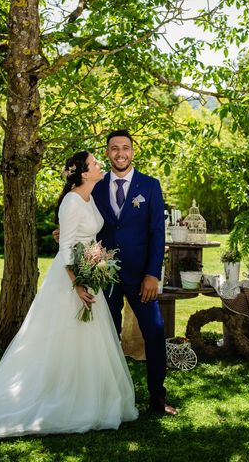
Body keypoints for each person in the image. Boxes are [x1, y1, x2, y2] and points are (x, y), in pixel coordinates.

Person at [0, 151, 139, 439]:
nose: (100, 166)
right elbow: (67, 247)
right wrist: (77, 283)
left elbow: (86, 238)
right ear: (84, 173)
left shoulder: (90, 197)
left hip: (87, 274)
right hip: (70, 280)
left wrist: (95, 263)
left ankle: (87, 393)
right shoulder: (72, 201)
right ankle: (57, 396)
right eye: (96, 163)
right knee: (65, 336)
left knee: (87, 338)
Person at [92, 129, 176, 416]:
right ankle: (108, 398)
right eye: (114, 148)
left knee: (154, 332)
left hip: (142, 278)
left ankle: (157, 398)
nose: (120, 153)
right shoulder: (96, 187)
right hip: (106, 277)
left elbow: (157, 233)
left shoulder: (150, 186)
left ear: (133, 151)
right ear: (107, 153)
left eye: (125, 148)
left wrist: (153, 274)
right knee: (106, 337)